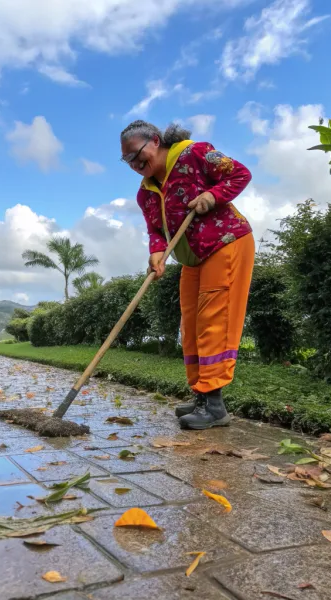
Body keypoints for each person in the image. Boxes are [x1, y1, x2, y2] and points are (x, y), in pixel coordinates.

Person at [120, 120, 254, 430]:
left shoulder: (197, 154)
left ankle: (215, 406)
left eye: (136, 154)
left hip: (226, 243)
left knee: (214, 321)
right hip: (192, 258)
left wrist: (212, 196)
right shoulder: (146, 193)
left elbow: (240, 173)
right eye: (127, 160)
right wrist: (156, 251)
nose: (134, 164)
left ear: (155, 141)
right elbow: (156, 230)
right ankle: (202, 397)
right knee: (191, 323)